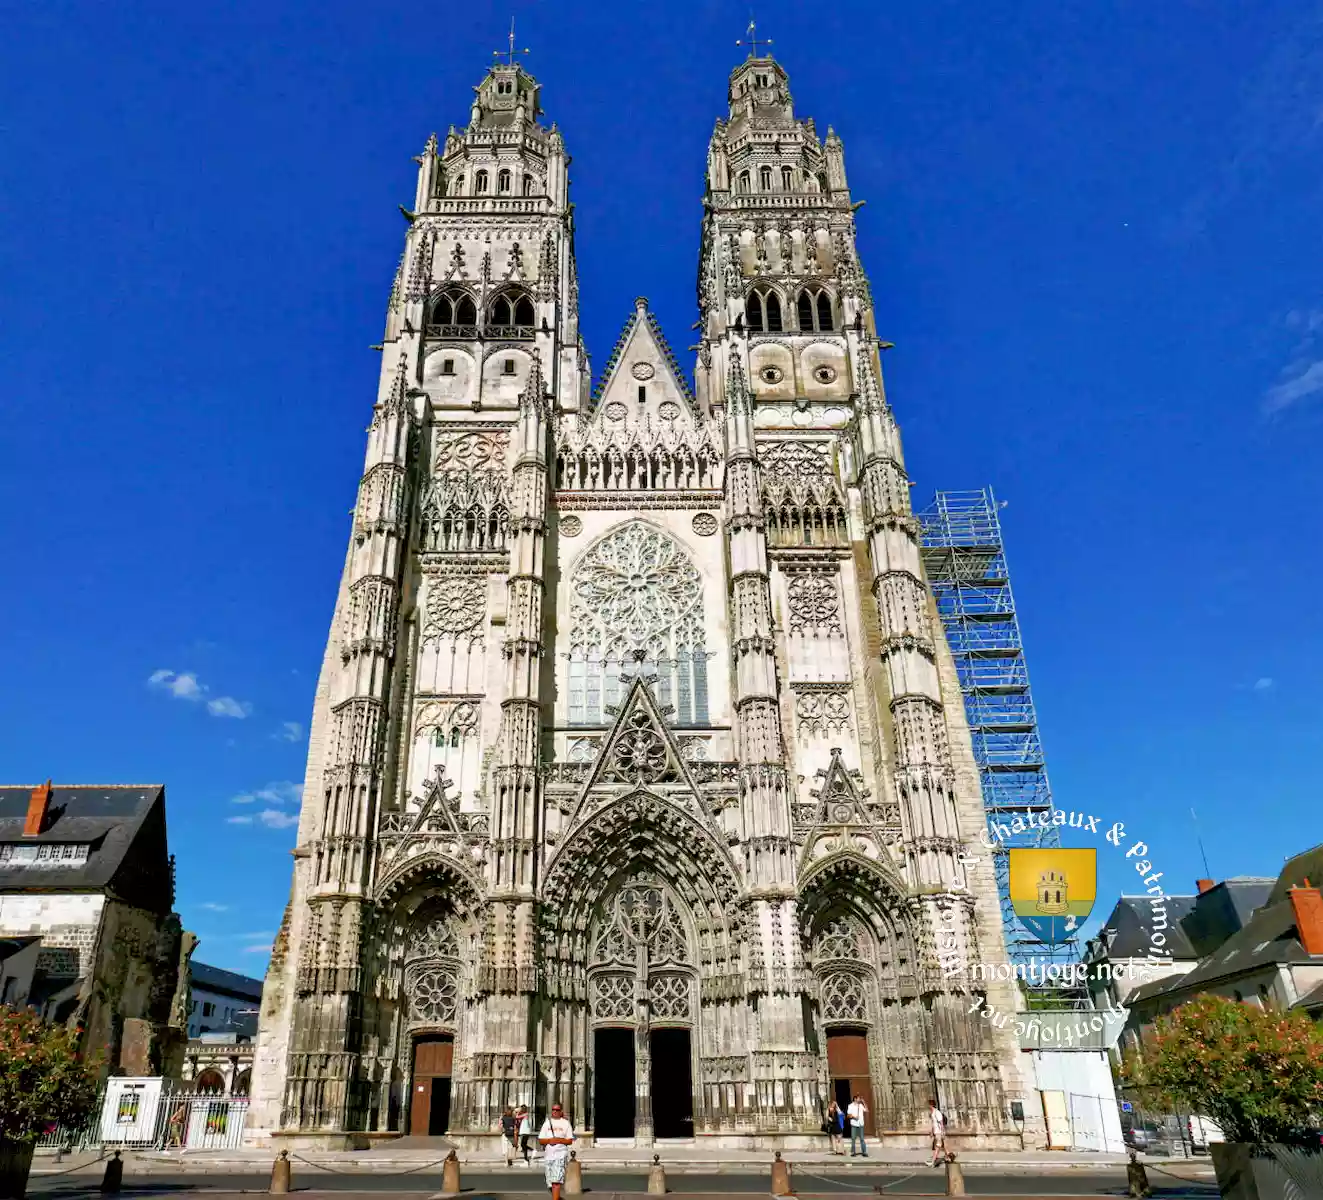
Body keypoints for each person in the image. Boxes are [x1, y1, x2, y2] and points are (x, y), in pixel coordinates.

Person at [538, 1101, 575, 1200]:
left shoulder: (565, 1123)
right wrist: (550, 1140)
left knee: (556, 1182)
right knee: (550, 1183)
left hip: (560, 1155)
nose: (554, 1111)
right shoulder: (547, 1123)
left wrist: (558, 1140)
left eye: (557, 1110)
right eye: (553, 1109)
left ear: (561, 1111)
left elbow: (570, 1140)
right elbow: (541, 1140)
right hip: (548, 1156)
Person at [847, 1093, 868, 1157]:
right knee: (853, 1138)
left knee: (862, 1139)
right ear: (855, 1099)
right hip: (854, 1124)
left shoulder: (861, 1105)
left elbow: (867, 1110)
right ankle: (853, 1152)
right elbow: (848, 1115)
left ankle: (864, 1152)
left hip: (861, 1124)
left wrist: (864, 1102)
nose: (859, 1099)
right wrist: (854, 1117)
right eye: (858, 1098)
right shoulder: (850, 1106)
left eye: (860, 1098)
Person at [929, 1099, 947, 1167]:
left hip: (939, 1132)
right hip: (936, 1132)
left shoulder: (937, 1112)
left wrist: (942, 1131)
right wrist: (932, 1131)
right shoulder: (933, 1113)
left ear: (931, 1105)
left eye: (929, 1105)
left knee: (937, 1146)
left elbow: (941, 1122)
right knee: (943, 1146)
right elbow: (934, 1123)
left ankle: (933, 1161)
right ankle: (949, 1157)